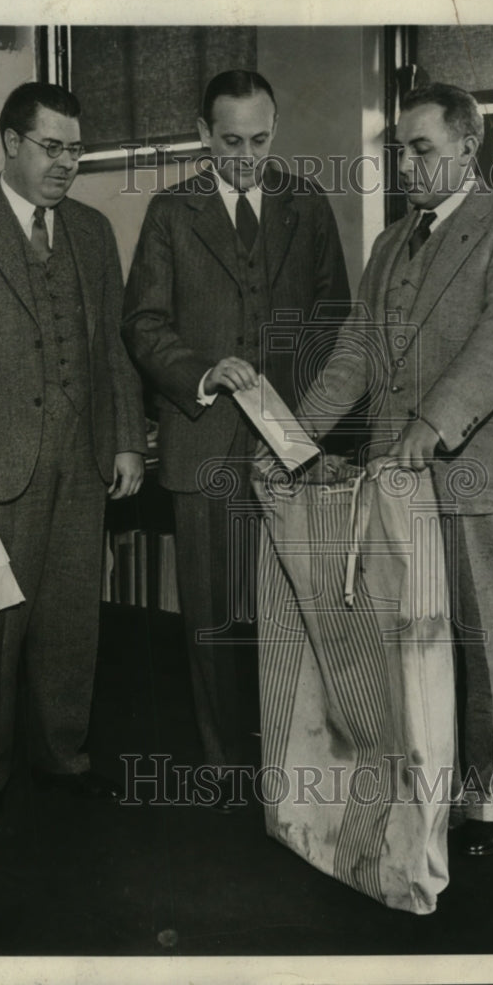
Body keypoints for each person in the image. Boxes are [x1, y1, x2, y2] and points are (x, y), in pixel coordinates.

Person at [297, 82, 493, 856]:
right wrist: (295, 433)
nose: (407, 164)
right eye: (400, 150)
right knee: (408, 642)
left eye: (422, 148)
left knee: (488, 640)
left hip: (478, 472)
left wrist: (432, 424)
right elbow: (355, 351)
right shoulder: (389, 244)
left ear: (467, 145)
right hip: (396, 479)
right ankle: (423, 798)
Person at [0, 82, 147, 827]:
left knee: (73, 624)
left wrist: (126, 439)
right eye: (53, 147)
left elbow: (111, 346)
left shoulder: (93, 232)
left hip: (80, 468)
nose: (67, 163)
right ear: (11, 142)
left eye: (76, 148)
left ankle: (63, 758)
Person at [122, 69, 349, 804]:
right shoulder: (170, 212)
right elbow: (144, 324)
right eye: (229, 142)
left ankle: (292, 753)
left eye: (259, 140)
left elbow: (332, 322)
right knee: (214, 615)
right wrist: (199, 371)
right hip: (203, 441)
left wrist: (313, 423)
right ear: (201, 135)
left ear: (274, 131)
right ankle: (224, 765)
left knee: (294, 605)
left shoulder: (306, 205)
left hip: (291, 446)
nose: (245, 156)